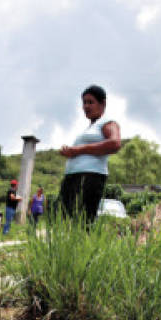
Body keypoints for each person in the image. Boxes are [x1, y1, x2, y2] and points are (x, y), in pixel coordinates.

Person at [57, 84, 121, 222]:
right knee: (64, 219)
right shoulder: (88, 128)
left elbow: (115, 143)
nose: (86, 106)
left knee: (83, 219)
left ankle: (84, 243)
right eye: (84, 103)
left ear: (102, 104)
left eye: (91, 102)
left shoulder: (107, 123)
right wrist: (69, 152)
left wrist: (78, 150)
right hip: (72, 178)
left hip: (90, 177)